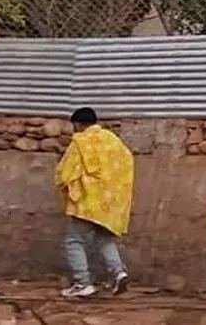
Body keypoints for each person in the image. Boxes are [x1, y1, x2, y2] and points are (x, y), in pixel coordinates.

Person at [55, 107, 134, 299]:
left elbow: (65, 172)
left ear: (78, 124)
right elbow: (127, 163)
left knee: (74, 241)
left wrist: (64, 185)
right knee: (104, 239)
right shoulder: (113, 141)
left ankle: (83, 283)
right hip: (111, 202)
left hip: (87, 202)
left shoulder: (81, 142)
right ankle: (118, 273)